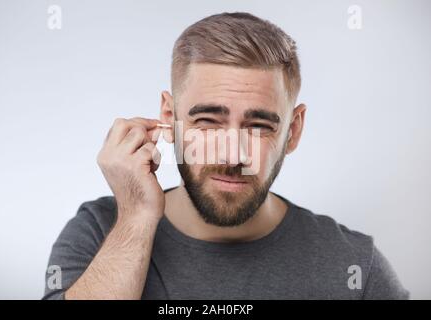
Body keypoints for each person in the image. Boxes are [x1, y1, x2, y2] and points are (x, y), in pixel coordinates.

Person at [43, 12, 409, 300]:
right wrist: (136, 218)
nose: (233, 155)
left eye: (260, 125)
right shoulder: (98, 231)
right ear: (170, 117)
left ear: (293, 131)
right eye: (208, 121)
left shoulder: (356, 266)